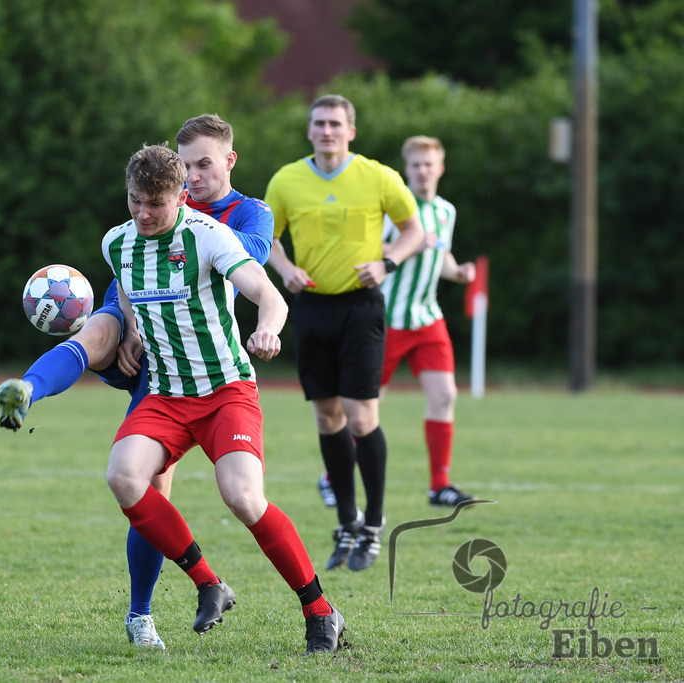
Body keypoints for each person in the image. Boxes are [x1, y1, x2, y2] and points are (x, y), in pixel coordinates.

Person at [0, 115, 274, 649]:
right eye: (184, 165)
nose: (191, 177)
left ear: (229, 161)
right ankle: (29, 387)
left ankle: (165, 602)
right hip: (151, 347)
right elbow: (131, 267)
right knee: (101, 327)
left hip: (204, 363)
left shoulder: (244, 215)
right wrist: (129, 319)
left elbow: (250, 266)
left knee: (156, 487)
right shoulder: (155, 207)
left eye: (202, 165)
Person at [102, 142, 345, 655]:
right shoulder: (117, 243)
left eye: (155, 203)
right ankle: (210, 584)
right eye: (134, 201)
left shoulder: (211, 236)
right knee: (123, 476)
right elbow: (127, 289)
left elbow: (268, 294)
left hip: (225, 392)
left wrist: (270, 330)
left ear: (181, 197)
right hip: (167, 395)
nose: (144, 214)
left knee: (242, 496)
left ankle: (320, 611)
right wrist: (128, 329)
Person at [263, 95, 424, 572]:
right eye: (319, 123)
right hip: (311, 307)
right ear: (309, 131)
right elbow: (266, 234)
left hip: (361, 308)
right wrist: (285, 267)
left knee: (360, 416)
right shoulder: (287, 179)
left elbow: (413, 228)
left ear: (351, 130)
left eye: (336, 123)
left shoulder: (378, 176)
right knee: (327, 418)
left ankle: (373, 524)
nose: (327, 130)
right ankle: (347, 522)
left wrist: (387, 261)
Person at [379, 136, 477, 507]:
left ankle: (440, 485)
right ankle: (331, 476)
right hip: (388, 319)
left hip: (427, 318)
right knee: (366, 408)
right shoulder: (394, 210)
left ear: (441, 168)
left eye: (429, 164)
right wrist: (409, 245)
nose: (422, 171)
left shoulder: (446, 211)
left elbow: (442, 255)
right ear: (407, 169)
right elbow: (369, 250)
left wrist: (458, 272)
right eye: (416, 165)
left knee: (445, 395)